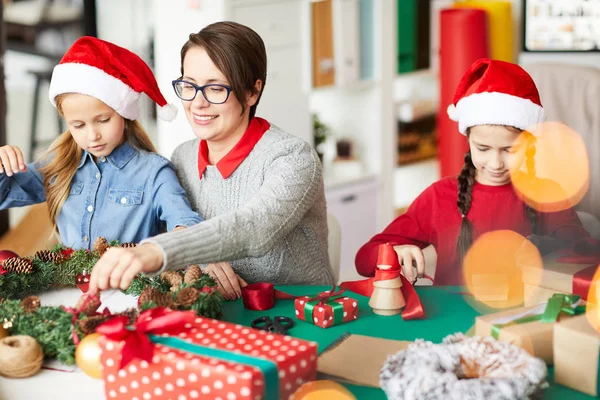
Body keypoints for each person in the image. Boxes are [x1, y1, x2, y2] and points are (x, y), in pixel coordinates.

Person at [88, 21, 335, 298]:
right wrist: (203, 259)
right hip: (220, 315)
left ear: (252, 92)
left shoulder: (292, 158)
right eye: (189, 85)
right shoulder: (182, 157)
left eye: (216, 89)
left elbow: (254, 228)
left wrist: (160, 250)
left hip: (303, 316)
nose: (197, 103)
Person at [355, 58, 592, 285]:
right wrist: (393, 252)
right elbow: (363, 259)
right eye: (483, 148)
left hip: (521, 317)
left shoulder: (546, 194)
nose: (496, 163)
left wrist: (543, 246)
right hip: (453, 321)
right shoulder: (439, 197)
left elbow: (584, 253)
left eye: (510, 150)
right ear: (469, 141)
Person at [0, 36, 203, 250]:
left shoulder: (154, 173)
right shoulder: (59, 164)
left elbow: (185, 222)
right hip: (70, 284)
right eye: (78, 125)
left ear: (124, 114)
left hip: (131, 283)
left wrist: (176, 239)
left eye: (103, 120)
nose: (92, 135)